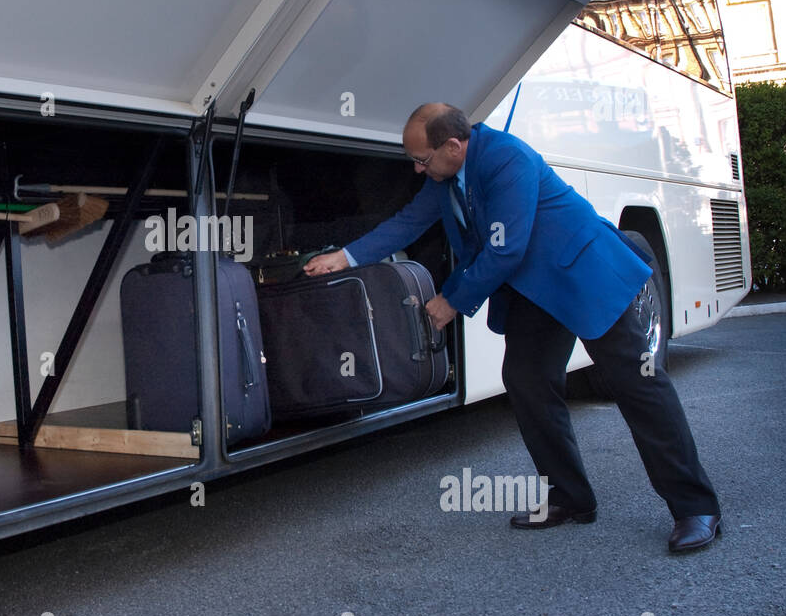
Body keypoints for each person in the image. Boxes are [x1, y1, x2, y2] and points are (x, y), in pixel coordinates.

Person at [304, 103, 722, 552]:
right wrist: (344, 257)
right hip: (534, 288)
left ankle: (695, 507)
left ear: (453, 146)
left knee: (638, 386)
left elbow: (506, 248)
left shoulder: (507, 159)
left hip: (582, 276)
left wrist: (451, 301)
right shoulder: (444, 175)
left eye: (422, 160)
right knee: (526, 380)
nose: (416, 168)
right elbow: (407, 222)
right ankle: (570, 498)